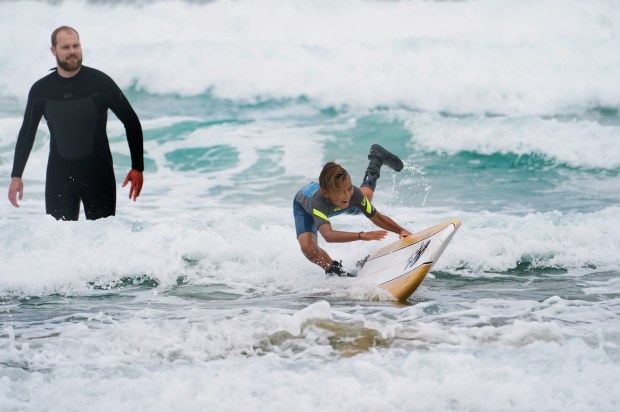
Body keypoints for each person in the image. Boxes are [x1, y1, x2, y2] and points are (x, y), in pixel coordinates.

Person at [7, 26, 144, 220]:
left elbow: (131, 121)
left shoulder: (100, 83)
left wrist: (137, 167)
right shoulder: (41, 91)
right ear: (53, 51)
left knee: (101, 242)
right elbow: (27, 132)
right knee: (59, 243)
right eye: (65, 47)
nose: (72, 51)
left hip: (98, 176)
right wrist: (16, 175)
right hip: (59, 177)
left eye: (76, 46)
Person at [293, 144, 412, 276]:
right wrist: (361, 236)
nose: (347, 195)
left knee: (365, 197)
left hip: (335, 203)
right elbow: (328, 235)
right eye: (341, 191)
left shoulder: (352, 194)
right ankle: (338, 273)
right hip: (305, 209)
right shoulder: (318, 202)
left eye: (349, 188)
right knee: (309, 249)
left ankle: (376, 160)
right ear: (326, 193)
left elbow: (377, 217)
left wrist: (400, 230)